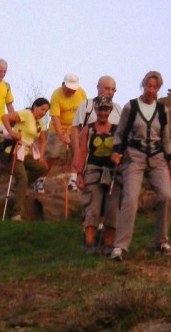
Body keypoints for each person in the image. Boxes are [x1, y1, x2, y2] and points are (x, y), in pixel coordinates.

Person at [109, 71, 171, 262]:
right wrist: (117, 151)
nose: (151, 90)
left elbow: (166, 138)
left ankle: (162, 242)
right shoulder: (131, 107)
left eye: (155, 87)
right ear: (143, 85)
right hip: (134, 156)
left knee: (165, 195)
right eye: (148, 85)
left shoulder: (162, 110)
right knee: (131, 198)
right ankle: (120, 246)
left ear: (159, 89)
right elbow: (120, 132)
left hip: (157, 158)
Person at [75, 95, 118, 254]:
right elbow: (82, 152)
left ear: (110, 110)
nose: (103, 113)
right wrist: (79, 173)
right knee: (92, 205)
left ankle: (108, 244)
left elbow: (122, 150)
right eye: (100, 109)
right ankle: (89, 243)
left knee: (111, 208)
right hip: (93, 170)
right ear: (95, 109)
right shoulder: (88, 129)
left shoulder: (117, 130)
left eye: (106, 109)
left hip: (112, 172)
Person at [0, 98, 50, 222]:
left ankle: (18, 188)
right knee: (23, 178)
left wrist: (41, 156)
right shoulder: (26, 114)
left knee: (42, 168)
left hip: (26, 154)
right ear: (35, 106)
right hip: (13, 151)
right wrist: (11, 132)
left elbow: (43, 140)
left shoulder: (40, 122)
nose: (43, 113)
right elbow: (5, 117)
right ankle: (16, 214)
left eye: (46, 111)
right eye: (42, 109)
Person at [71, 75, 122, 190]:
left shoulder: (118, 108)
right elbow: (75, 129)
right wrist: (77, 153)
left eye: (113, 89)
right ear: (98, 87)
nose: (110, 92)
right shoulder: (87, 105)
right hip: (90, 159)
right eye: (107, 88)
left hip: (111, 159)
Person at [45, 73, 87, 191]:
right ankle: (40, 178)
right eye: (68, 89)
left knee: (78, 153)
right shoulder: (56, 95)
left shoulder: (81, 93)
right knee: (52, 155)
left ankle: (73, 180)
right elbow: (55, 117)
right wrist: (61, 135)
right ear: (63, 84)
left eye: (73, 89)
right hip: (58, 128)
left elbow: (85, 111)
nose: (71, 92)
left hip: (75, 128)